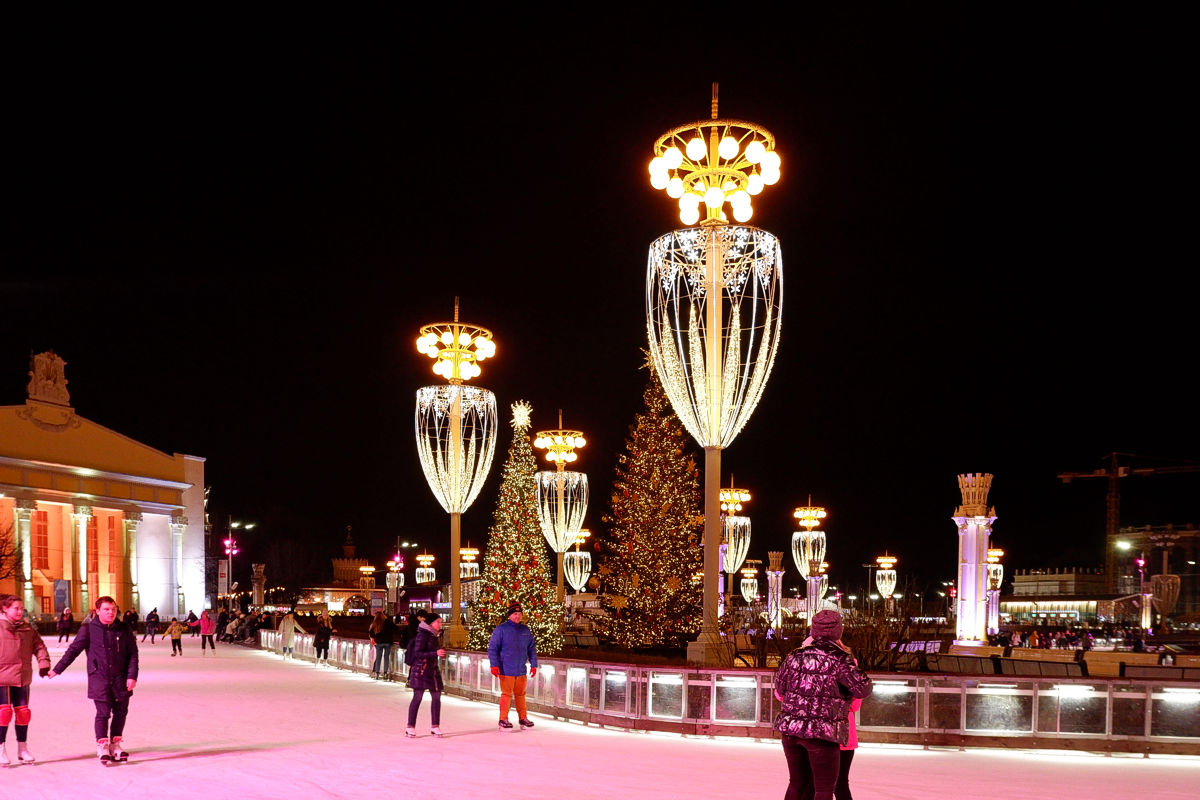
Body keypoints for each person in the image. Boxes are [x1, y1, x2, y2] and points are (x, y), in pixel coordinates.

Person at [773, 610, 872, 800]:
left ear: (814, 630)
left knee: (797, 783)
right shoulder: (841, 659)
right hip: (822, 733)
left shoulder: (794, 656)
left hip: (791, 730)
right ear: (838, 631)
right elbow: (863, 689)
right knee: (824, 789)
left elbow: (780, 689)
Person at [49, 596, 139, 763]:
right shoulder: (89, 629)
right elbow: (73, 651)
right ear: (97, 611)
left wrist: (132, 675)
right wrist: (57, 669)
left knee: (120, 712)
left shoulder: (123, 628)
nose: (111, 612)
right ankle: (102, 745)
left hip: (120, 678)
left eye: (113, 609)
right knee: (103, 713)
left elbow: (133, 654)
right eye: (106, 609)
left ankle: (115, 745)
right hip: (99, 678)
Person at [0, 594, 51, 764]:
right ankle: (1, 748)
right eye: (16, 608)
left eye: (22, 608)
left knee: (23, 713)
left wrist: (43, 663)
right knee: (3, 713)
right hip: (2, 677)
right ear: (5, 609)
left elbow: (39, 646)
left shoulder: (28, 629)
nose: (20, 611)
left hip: (22, 676)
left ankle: (22, 748)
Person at [487, 601, 538, 730]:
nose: (517, 616)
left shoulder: (525, 630)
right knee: (507, 694)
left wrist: (534, 664)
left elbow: (531, 648)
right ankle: (503, 719)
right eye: (515, 614)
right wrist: (494, 665)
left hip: (521, 669)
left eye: (519, 614)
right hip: (506, 669)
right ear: (509, 615)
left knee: (521, 694)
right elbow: (492, 648)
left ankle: (523, 718)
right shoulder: (501, 629)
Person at [405, 611, 446, 738]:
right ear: (431, 623)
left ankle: (435, 726)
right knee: (417, 697)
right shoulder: (422, 635)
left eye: (440, 622)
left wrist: (438, 653)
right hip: (421, 671)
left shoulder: (434, 635)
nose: (440, 624)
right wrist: (435, 653)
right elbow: (418, 653)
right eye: (438, 622)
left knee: (436, 697)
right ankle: (410, 727)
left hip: (433, 671)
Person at [368, 611, 399, 679]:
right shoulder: (388, 621)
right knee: (386, 657)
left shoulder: (375, 623)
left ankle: (377, 673)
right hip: (388, 642)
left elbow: (371, 634)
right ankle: (385, 673)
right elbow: (396, 628)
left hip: (379, 642)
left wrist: (377, 636)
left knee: (378, 657)